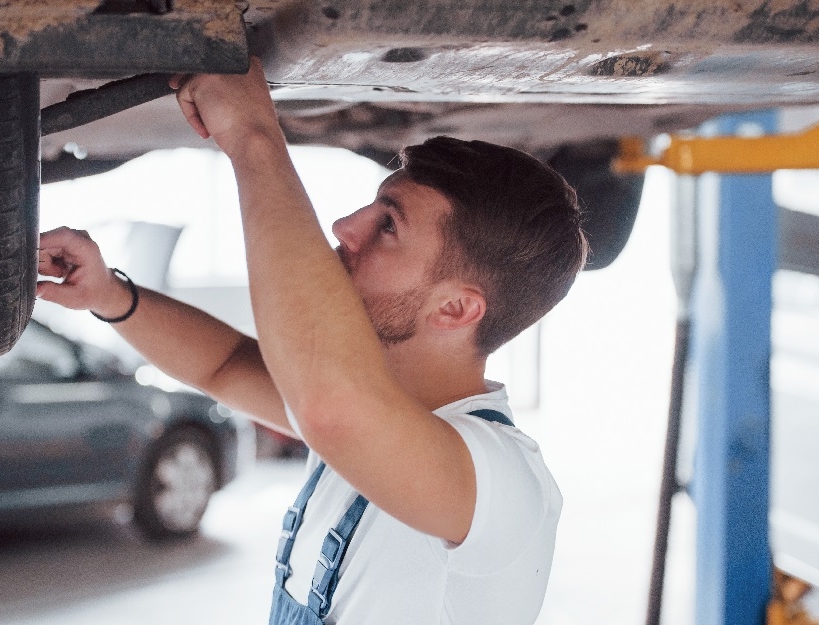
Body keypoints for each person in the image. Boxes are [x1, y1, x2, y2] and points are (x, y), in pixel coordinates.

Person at [36, 59, 587, 625]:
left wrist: (254, 137)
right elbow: (226, 364)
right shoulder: (374, 419)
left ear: (454, 308)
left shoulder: (504, 481)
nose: (346, 225)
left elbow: (333, 408)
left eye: (388, 226)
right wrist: (109, 295)